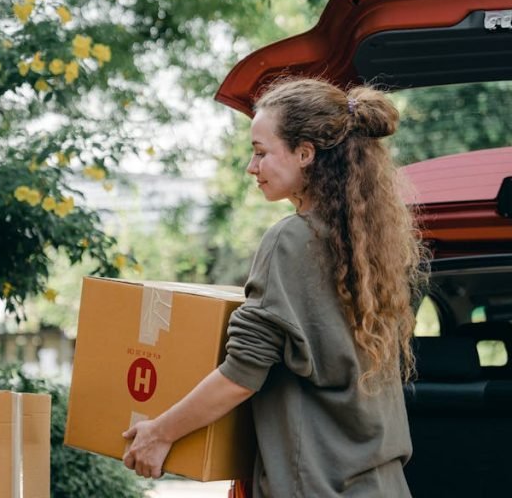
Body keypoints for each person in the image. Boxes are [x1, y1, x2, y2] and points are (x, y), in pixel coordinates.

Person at [122, 77, 428, 496]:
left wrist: (159, 432)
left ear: (305, 154)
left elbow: (243, 373)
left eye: (261, 153)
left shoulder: (291, 239)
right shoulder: (371, 250)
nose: (252, 168)